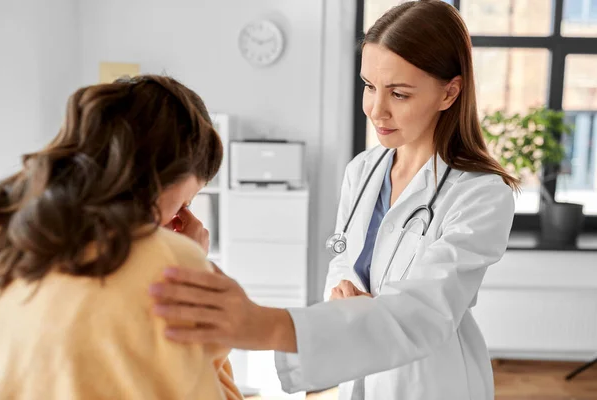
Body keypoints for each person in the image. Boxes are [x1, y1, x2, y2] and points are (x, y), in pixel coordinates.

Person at [149, 1, 519, 399]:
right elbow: (342, 258)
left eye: (399, 93)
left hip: (425, 382)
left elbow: (425, 312)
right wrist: (340, 315)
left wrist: (270, 323)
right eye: (369, 86)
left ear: (449, 92)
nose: (376, 110)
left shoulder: (481, 193)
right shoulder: (362, 172)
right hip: (351, 377)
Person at [0, 75, 242, 400]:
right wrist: (197, 271)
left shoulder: (12, 235)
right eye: (184, 204)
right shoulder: (171, 266)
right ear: (159, 179)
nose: (181, 217)